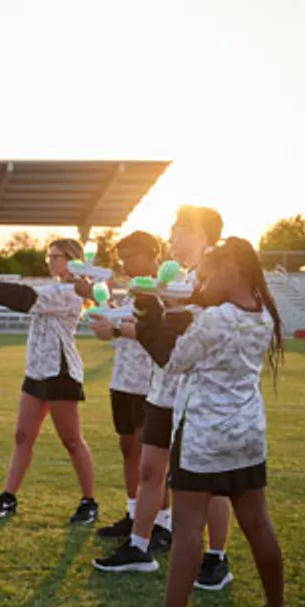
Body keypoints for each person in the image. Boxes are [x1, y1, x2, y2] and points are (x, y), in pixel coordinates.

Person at [115, 238, 296, 607]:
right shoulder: (263, 314)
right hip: (247, 435)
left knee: (187, 531)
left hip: (204, 437)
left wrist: (147, 315)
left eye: (211, 273)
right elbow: (199, 319)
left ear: (230, 269)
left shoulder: (217, 320)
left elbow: (173, 359)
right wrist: (172, 311)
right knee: (259, 525)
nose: (204, 281)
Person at [92, 206, 229, 579]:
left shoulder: (216, 276)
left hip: (199, 392)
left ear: (201, 234)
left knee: (211, 481)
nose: (171, 234)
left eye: (179, 228)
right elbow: (160, 335)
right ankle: (139, 546)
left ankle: (216, 556)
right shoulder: (178, 278)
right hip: (163, 388)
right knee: (151, 470)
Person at [0, 238, 98, 524]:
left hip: (60, 373)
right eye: (49, 256)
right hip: (37, 370)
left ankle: (89, 501)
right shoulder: (61, 287)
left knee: (72, 440)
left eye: (56, 256)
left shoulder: (72, 291)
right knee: (23, 437)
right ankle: (8, 496)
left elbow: (26, 298)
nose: (50, 261)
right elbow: (25, 295)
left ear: (72, 259)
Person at [86, 232, 158, 554]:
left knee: (151, 458)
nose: (125, 264)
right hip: (123, 380)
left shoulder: (163, 289)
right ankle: (133, 514)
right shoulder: (132, 290)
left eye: (130, 256)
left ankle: (160, 524)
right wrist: (107, 320)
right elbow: (123, 331)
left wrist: (114, 328)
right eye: (122, 258)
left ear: (151, 254)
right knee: (128, 448)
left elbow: (153, 332)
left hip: (150, 383)